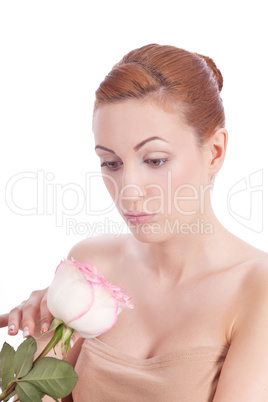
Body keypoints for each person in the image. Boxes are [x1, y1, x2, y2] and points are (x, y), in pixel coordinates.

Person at [1, 43, 268, 402]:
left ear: (215, 151)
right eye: (111, 163)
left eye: (155, 160)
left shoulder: (256, 290)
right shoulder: (93, 264)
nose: (128, 193)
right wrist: (41, 341)